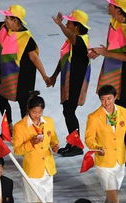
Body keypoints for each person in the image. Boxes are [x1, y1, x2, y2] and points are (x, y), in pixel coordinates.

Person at [0, 1, 51, 122]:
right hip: (4, 73)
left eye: (8, 17)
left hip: (23, 78)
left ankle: (26, 130)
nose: (5, 19)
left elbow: (35, 58)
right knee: (1, 98)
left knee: (24, 105)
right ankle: (8, 126)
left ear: (16, 21)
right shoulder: (5, 27)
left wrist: (44, 76)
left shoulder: (27, 38)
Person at [92, 0, 126, 165]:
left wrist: (106, 53)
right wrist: (101, 53)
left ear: (117, 9)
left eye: (110, 5)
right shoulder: (114, 22)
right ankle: (123, 145)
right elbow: (112, 48)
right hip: (115, 70)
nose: (107, 7)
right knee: (117, 108)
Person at [12, 91, 59, 203]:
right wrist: (31, 142)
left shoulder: (49, 122)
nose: (37, 115)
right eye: (34, 112)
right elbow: (17, 150)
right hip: (32, 172)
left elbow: (53, 139)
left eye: (39, 112)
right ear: (28, 110)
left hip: (47, 170)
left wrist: (55, 146)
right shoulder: (19, 127)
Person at [50, 9, 90, 157]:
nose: (67, 24)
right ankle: (72, 142)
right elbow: (64, 59)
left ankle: (77, 145)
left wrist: (60, 25)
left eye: (69, 23)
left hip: (77, 82)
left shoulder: (81, 40)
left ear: (77, 26)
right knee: (67, 110)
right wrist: (54, 76)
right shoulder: (72, 41)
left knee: (69, 111)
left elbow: (72, 36)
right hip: (69, 80)